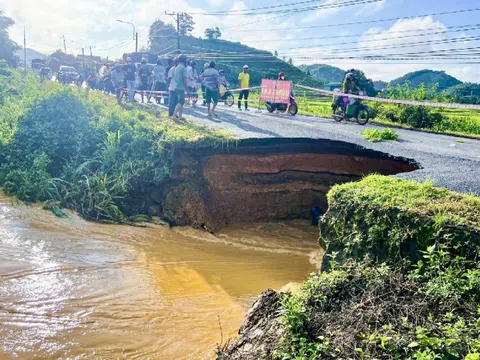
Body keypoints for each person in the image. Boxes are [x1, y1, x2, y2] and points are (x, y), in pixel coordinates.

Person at [173, 55, 188, 120]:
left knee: (181, 102)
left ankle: (180, 116)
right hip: (181, 87)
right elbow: (185, 80)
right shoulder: (183, 68)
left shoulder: (177, 67)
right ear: (184, 60)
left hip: (176, 86)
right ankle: (174, 115)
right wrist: (187, 90)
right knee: (181, 102)